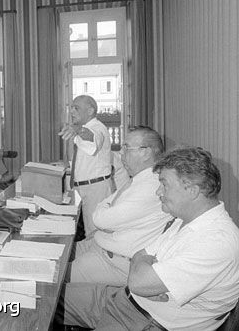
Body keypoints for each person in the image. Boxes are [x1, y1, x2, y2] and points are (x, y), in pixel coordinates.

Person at [60, 147, 239, 331]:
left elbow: (139, 282)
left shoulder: (217, 242)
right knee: (47, 295)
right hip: (125, 299)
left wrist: (142, 277)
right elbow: (139, 256)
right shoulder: (185, 220)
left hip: (142, 322)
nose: (158, 192)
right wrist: (142, 277)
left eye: (164, 185)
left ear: (192, 191)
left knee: (45, 306)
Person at [68, 127, 173, 286]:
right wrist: (106, 209)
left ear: (145, 152)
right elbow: (106, 209)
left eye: (127, 147)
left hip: (115, 261)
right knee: (57, 253)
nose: (122, 153)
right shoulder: (140, 179)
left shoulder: (151, 186)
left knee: (54, 276)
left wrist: (105, 209)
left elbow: (100, 218)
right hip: (102, 244)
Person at [58, 95, 112, 235]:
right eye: (71, 108)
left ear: (90, 111)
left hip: (95, 189)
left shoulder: (97, 128)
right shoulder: (84, 129)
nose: (72, 112)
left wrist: (78, 130)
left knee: (96, 233)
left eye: (76, 108)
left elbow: (93, 137)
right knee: (85, 231)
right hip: (83, 188)